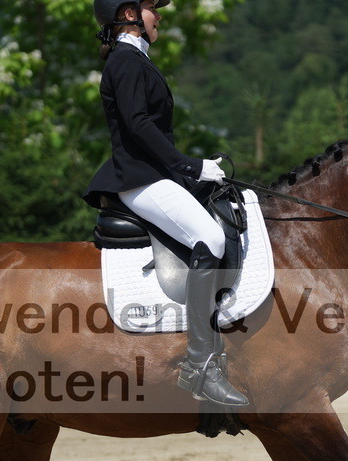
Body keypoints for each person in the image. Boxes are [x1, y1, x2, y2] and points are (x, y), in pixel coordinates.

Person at [84, 0, 248, 407]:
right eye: (152, 9)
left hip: (157, 174)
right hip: (140, 179)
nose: (160, 15)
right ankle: (200, 366)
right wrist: (190, 166)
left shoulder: (134, 58)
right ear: (129, 15)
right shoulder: (125, 60)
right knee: (209, 238)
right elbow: (137, 125)